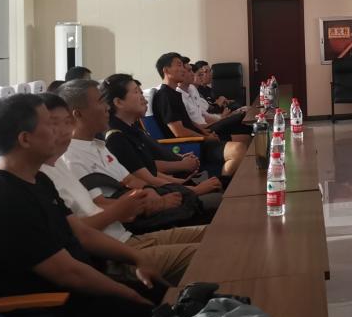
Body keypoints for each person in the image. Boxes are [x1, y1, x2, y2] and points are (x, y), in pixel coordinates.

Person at [0, 94, 157, 317]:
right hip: (53, 309)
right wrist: (129, 293)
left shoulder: (37, 179)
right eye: (50, 124)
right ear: (25, 139)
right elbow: (68, 272)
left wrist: (137, 257)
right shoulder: (4, 200)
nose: (61, 131)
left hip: (82, 289)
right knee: (157, 315)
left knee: (162, 291)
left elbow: (81, 234)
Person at [38, 93, 204, 286]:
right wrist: (128, 208)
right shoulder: (56, 168)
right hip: (115, 257)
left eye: (68, 122)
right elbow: (80, 234)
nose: (66, 130)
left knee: (215, 234)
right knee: (211, 251)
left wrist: (141, 199)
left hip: (128, 238)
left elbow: (113, 194)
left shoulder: (60, 164)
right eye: (54, 124)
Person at [58, 79, 183, 216]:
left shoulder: (99, 146)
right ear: (78, 114)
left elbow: (130, 179)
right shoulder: (72, 157)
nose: (107, 107)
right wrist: (154, 202)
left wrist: (150, 190)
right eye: (101, 102)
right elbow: (98, 204)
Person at [100, 73, 223, 209]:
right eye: (136, 92)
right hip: (161, 200)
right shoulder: (116, 137)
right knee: (221, 198)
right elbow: (148, 180)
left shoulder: (132, 129)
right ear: (118, 102)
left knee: (223, 184)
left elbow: (151, 170)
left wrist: (183, 183)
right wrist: (193, 189)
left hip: (171, 188)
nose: (143, 98)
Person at [151, 52, 244, 178]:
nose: (183, 70)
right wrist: (205, 138)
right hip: (189, 146)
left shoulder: (173, 94)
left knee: (242, 135)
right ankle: (221, 184)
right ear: (166, 70)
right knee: (238, 149)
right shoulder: (165, 96)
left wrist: (205, 132)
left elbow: (188, 122)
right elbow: (179, 132)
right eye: (179, 65)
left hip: (198, 139)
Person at [179, 60, 248, 141]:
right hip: (204, 129)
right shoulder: (179, 96)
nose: (193, 74)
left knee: (243, 120)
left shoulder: (192, 89)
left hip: (208, 124)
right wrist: (223, 118)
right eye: (200, 74)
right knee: (240, 117)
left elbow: (204, 114)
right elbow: (188, 126)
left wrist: (222, 118)